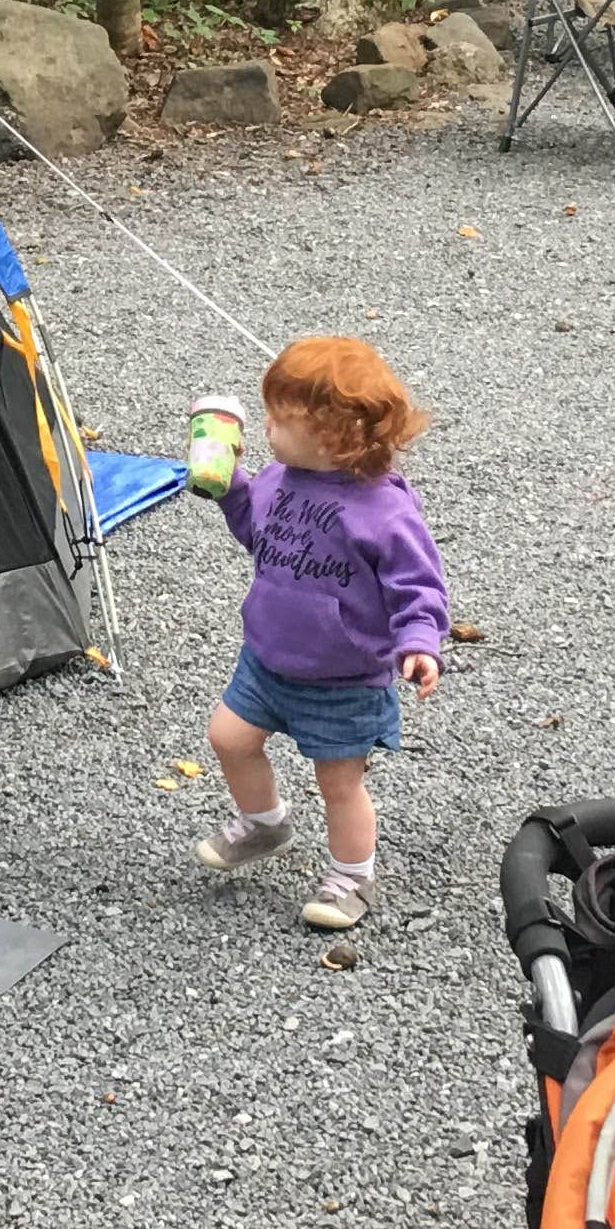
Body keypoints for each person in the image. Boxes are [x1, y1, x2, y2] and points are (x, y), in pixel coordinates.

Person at [189, 335, 447, 932]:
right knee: (228, 737)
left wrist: (418, 641)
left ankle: (353, 875)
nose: (268, 430)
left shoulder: (382, 511)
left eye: (281, 420)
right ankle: (265, 823)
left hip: (344, 678)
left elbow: (420, 585)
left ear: (336, 436)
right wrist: (229, 488)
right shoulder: (282, 477)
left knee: (339, 784)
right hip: (268, 657)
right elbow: (260, 533)